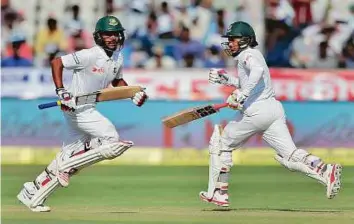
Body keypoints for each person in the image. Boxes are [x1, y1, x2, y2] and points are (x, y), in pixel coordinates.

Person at [199, 21, 342, 207]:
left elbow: (257, 72)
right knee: (290, 156)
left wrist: (242, 94)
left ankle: (219, 192)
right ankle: (325, 170)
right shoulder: (251, 56)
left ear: (244, 40)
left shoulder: (248, 55)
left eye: (233, 39)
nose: (229, 43)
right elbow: (254, 81)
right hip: (272, 110)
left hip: (258, 112)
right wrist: (228, 80)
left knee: (220, 142)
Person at [17, 15, 148, 212]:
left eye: (115, 34)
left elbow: (117, 82)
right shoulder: (89, 54)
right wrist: (62, 91)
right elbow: (56, 62)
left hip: (88, 108)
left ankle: (32, 191)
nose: (112, 38)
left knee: (69, 154)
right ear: (99, 36)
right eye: (107, 34)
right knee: (110, 138)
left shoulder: (117, 58)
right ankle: (67, 167)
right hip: (76, 108)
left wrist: (133, 94)